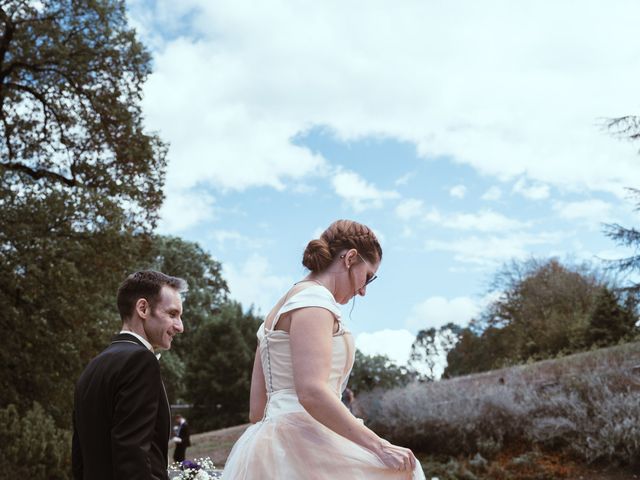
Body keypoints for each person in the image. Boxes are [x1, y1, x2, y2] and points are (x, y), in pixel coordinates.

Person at [222, 220, 426, 479]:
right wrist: (380, 446)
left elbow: (257, 410)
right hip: (306, 441)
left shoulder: (274, 315)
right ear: (350, 258)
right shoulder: (315, 302)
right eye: (368, 277)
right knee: (406, 470)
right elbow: (311, 392)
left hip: (268, 449)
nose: (363, 291)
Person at [72, 270, 187, 480]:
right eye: (172, 314)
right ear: (143, 308)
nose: (180, 326)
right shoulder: (141, 362)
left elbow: (79, 460)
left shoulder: (93, 367)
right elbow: (133, 457)